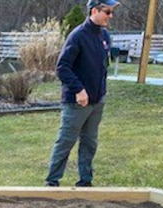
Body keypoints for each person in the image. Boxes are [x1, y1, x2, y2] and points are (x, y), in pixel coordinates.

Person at [45, 0, 119, 188]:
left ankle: (85, 181)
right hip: (76, 102)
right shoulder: (77, 36)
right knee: (66, 141)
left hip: (97, 101)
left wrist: (101, 92)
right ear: (94, 10)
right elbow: (62, 68)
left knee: (90, 143)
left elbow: (103, 66)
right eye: (107, 12)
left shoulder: (104, 35)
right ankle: (52, 182)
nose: (110, 16)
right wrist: (79, 90)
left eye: (111, 12)